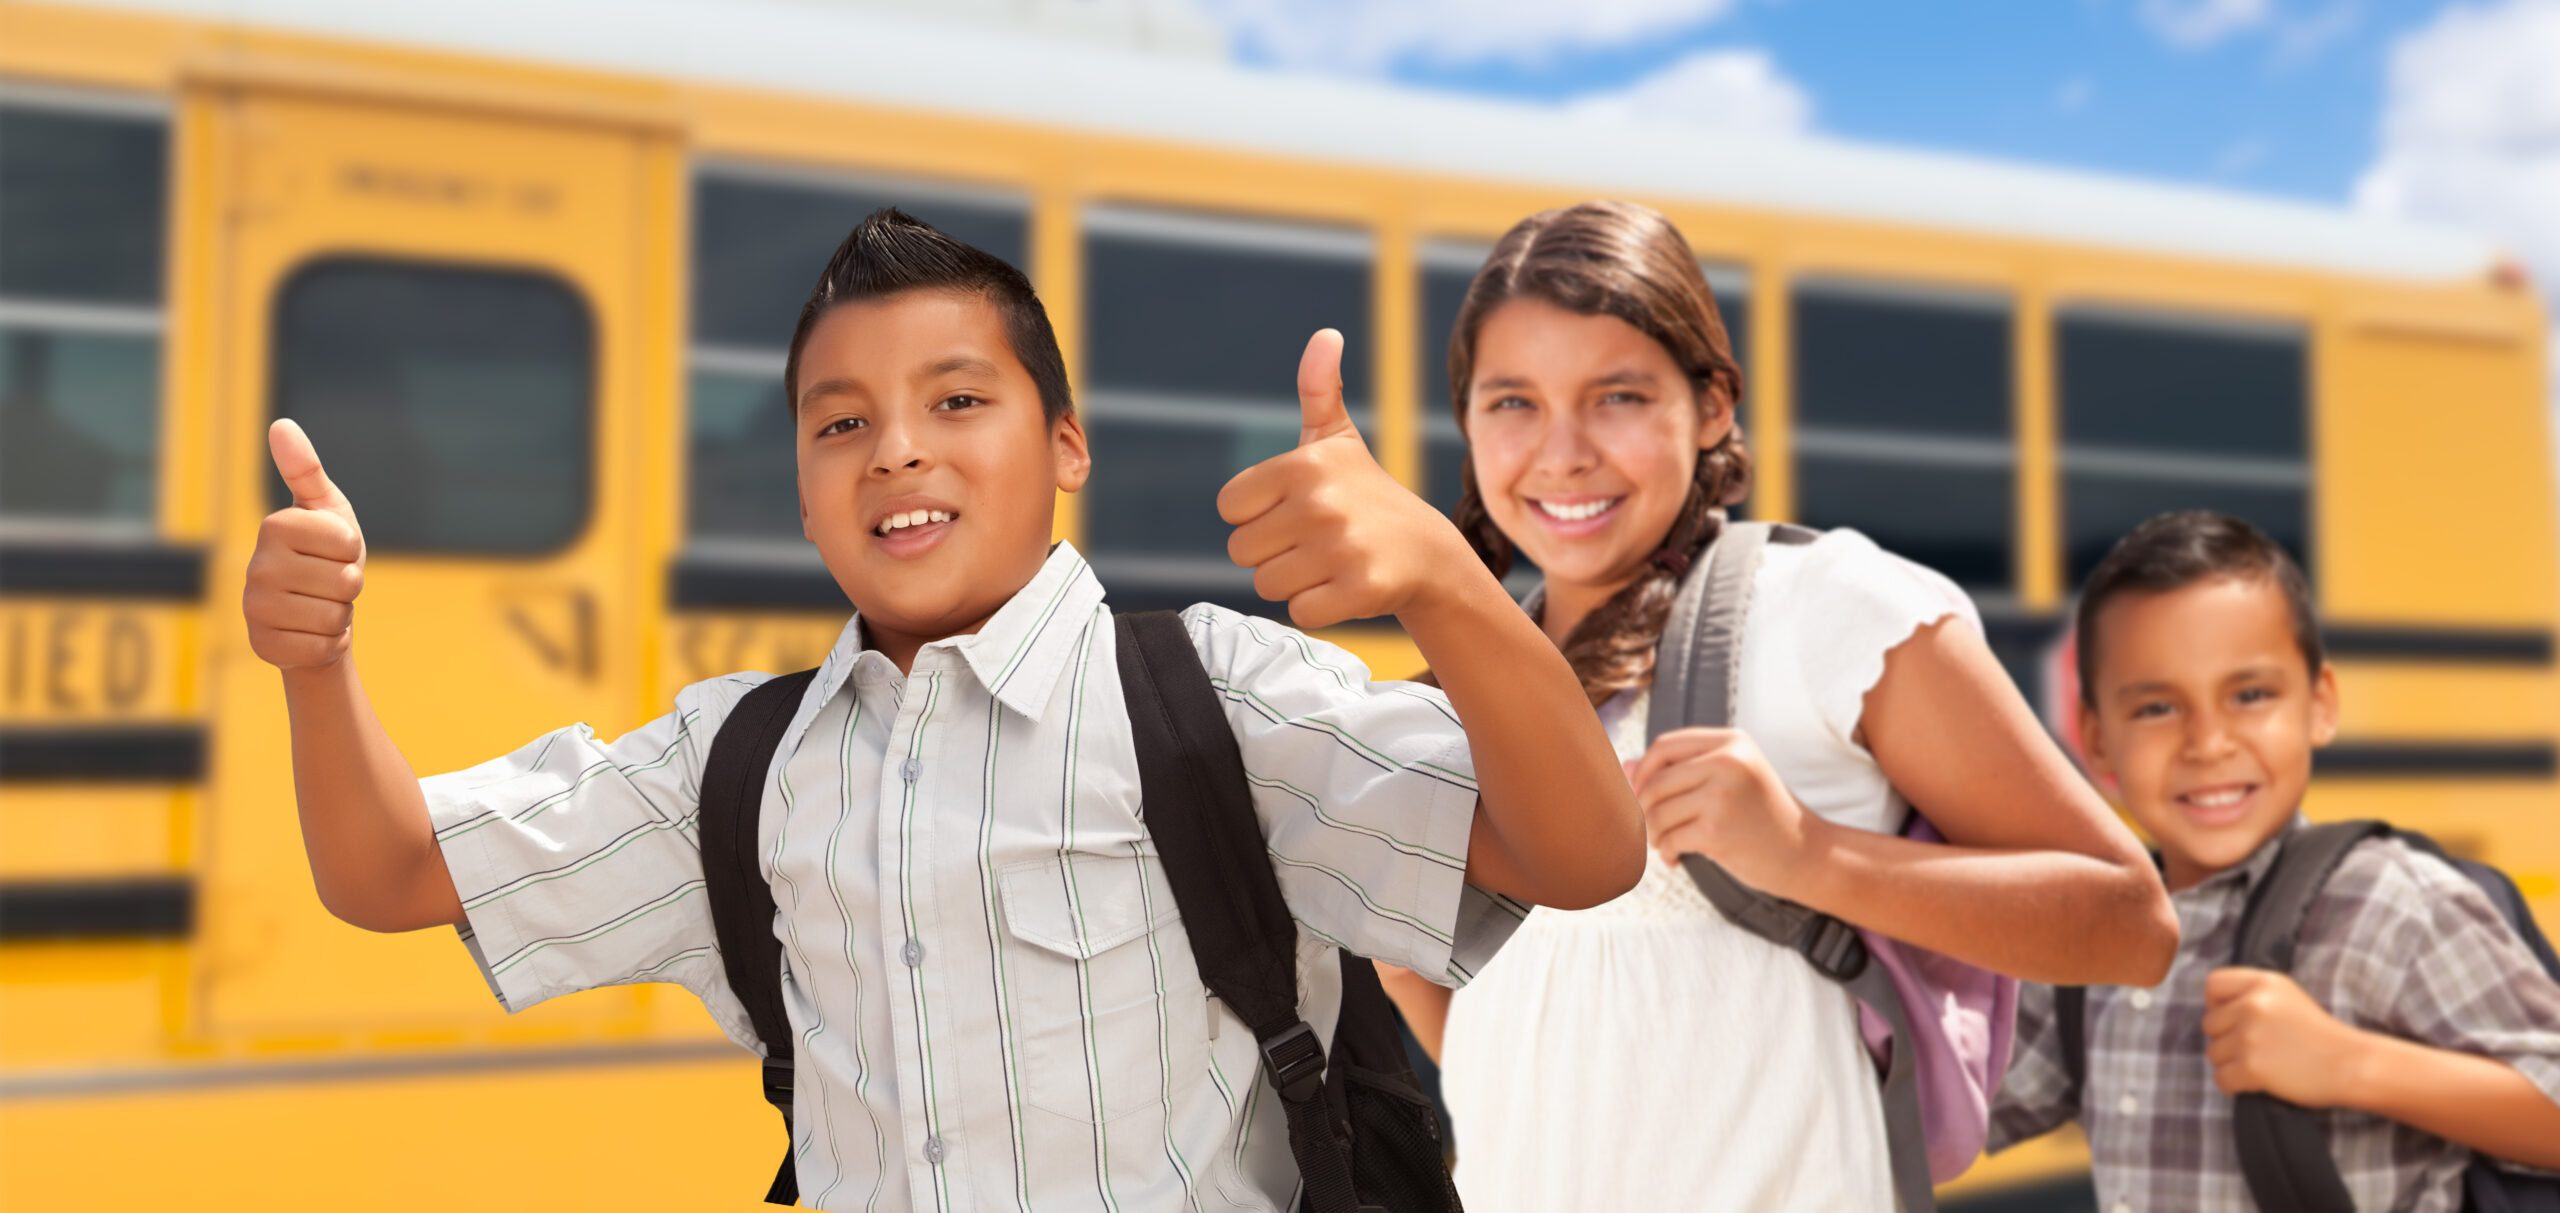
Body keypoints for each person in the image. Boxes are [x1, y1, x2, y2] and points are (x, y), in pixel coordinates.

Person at [241, 208, 1645, 1210]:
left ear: (1067, 444)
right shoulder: (737, 764)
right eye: (838, 422)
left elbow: (1584, 855)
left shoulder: (1215, 698)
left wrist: (1450, 586)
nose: (896, 445)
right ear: (801, 487)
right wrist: (320, 665)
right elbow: (392, 870)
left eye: (959, 398)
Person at [1372, 199, 2180, 1211]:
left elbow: (2129, 922)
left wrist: (1806, 853)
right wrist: (1400, 957)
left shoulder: (1828, 608)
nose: (1562, 451)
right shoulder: (1465, 695)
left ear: (1711, 405)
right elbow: (1533, 1043)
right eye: (1512, 403)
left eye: (1616, 396)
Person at [1988, 510, 2560, 1210]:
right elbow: (1948, 1112)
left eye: (2250, 695)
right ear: (2097, 741)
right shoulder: (2098, 936)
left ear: (2319, 704)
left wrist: (2349, 1063)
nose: (2208, 742)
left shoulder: (2394, 902)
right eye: (2156, 708)